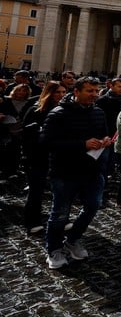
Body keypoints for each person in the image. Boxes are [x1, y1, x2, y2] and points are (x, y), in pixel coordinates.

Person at [41, 76, 113, 269]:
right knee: (60, 213)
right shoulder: (58, 113)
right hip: (65, 171)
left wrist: (105, 140)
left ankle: (72, 239)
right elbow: (46, 142)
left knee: (93, 206)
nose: (94, 95)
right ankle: (54, 250)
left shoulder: (98, 112)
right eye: (90, 91)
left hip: (92, 170)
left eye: (96, 91)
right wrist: (82, 144)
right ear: (76, 92)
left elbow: (103, 132)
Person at [21, 81, 67, 234]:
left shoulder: (64, 110)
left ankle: (62, 218)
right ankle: (32, 221)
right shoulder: (35, 109)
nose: (61, 95)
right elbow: (26, 134)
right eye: (57, 92)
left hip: (57, 156)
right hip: (37, 156)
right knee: (36, 190)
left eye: (63, 92)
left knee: (61, 190)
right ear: (49, 93)